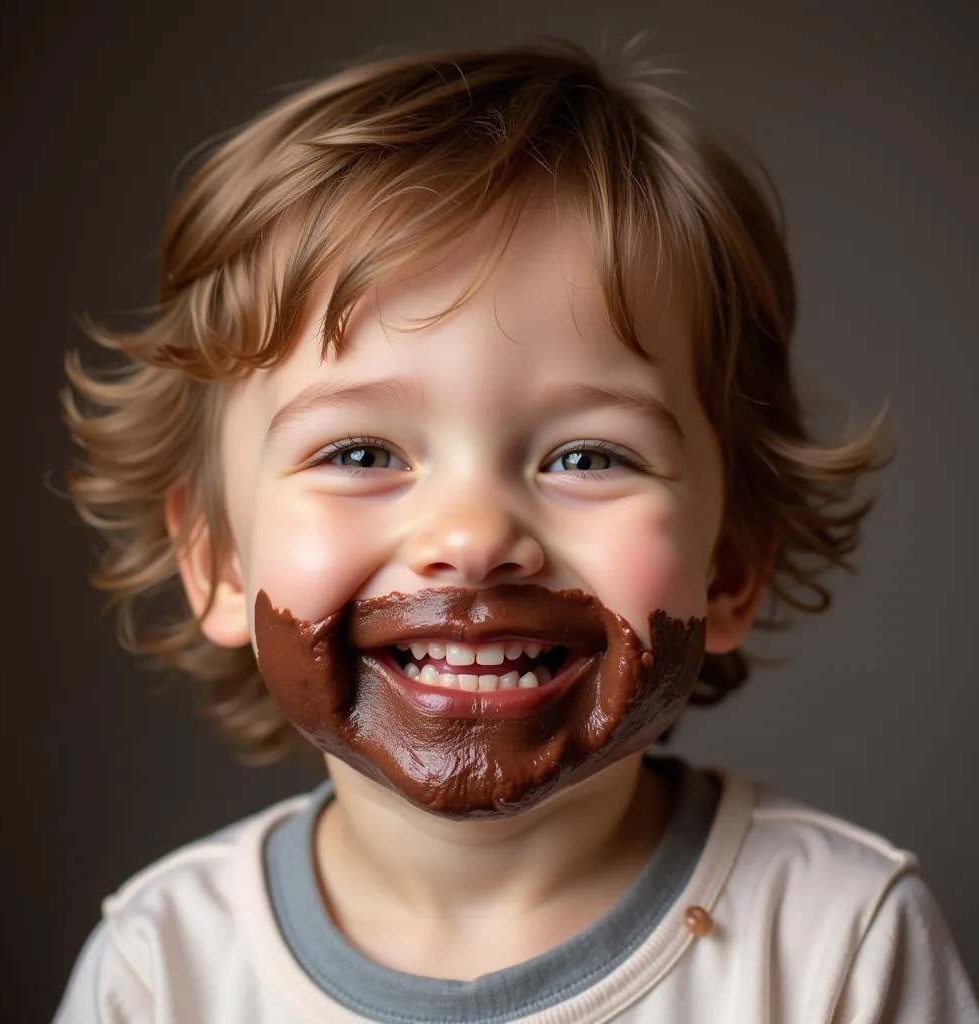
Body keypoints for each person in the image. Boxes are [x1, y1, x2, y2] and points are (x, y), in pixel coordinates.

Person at [54, 40, 978, 1023]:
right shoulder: (161, 968)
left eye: (586, 457)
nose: (473, 535)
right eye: (361, 454)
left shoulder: (839, 943)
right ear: (218, 559)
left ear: (729, 563)